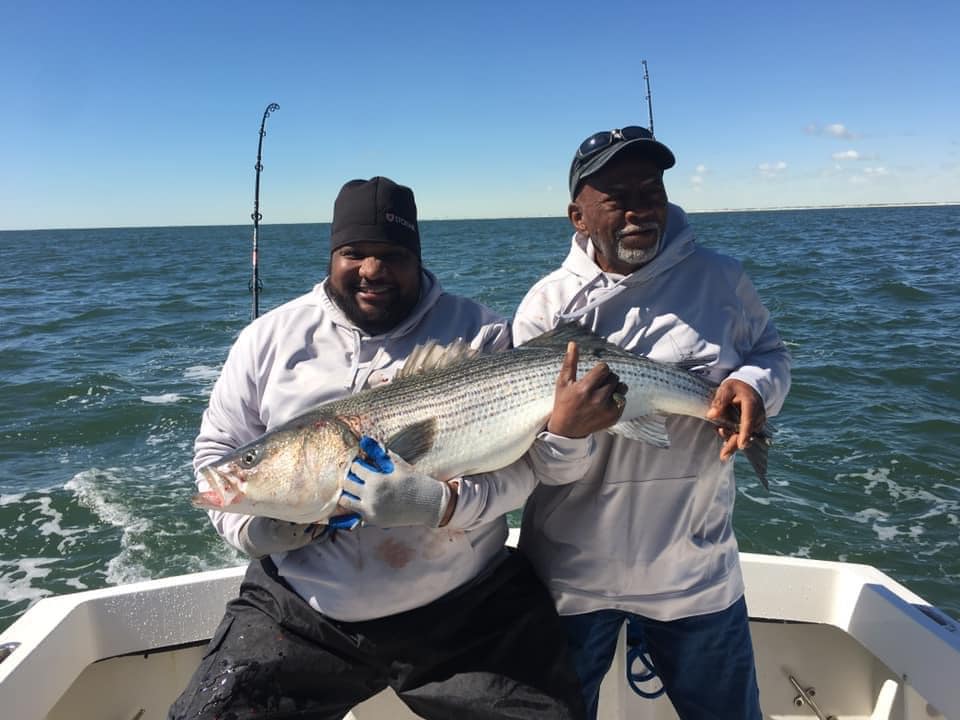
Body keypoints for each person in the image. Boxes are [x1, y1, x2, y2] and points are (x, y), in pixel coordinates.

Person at [169, 176, 601, 720]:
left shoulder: (480, 333)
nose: (372, 270)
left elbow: (526, 467)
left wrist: (440, 505)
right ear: (332, 255)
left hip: (466, 606)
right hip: (303, 607)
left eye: (392, 255)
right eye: (354, 253)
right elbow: (218, 455)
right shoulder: (268, 338)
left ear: (416, 257)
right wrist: (263, 531)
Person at [512, 127, 792, 719]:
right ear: (577, 216)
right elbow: (536, 462)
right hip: (568, 576)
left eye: (651, 188)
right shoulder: (545, 305)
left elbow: (770, 353)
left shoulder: (722, 280)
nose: (641, 207)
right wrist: (565, 433)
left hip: (695, 571)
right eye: (616, 195)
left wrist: (755, 387)